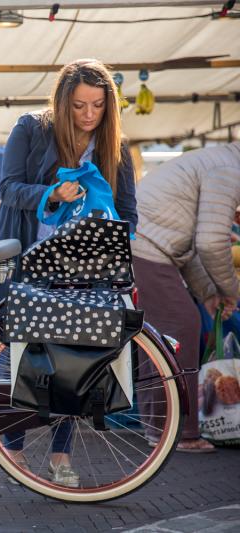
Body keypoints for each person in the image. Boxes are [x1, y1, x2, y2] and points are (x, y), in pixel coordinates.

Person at [0, 59, 138, 487]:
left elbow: (130, 216)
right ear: (63, 102)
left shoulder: (114, 147)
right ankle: (15, 451)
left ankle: (60, 454)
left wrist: (103, 230)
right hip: (26, 260)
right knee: (19, 357)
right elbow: (8, 189)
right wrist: (52, 193)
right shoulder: (31, 127)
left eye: (98, 106)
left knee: (71, 360)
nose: (88, 115)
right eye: (79, 105)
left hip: (82, 269)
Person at [133, 141, 240, 453]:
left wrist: (209, 292)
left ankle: (161, 429)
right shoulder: (229, 172)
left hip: (145, 245)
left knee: (163, 337)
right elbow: (210, 242)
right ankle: (178, 432)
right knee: (180, 328)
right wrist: (232, 289)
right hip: (146, 247)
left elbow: (190, 246)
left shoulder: (220, 160)